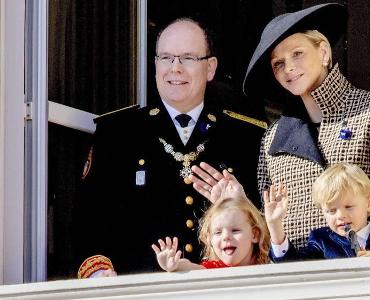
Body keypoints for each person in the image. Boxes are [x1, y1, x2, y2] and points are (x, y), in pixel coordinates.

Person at [73, 18, 267, 276]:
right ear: (155, 65)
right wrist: (100, 276)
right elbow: (87, 223)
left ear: (210, 68)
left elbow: (267, 232)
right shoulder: (118, 134)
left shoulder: (246, 137)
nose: (175, 68)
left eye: (188, 58)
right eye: (166, 58)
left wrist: (245, 208)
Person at [190, 3, 370, 251]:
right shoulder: (272, 139)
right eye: (278, 63)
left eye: (297, 53)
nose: (289, 68)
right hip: (297, 279)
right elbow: (266, 234)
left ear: (324, 52)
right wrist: (242, 205)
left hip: (367, 271)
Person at [264, 163, 370, 262]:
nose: (340, 215)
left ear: (369, 203)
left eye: (348, 206)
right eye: (332, 211)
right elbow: (292, 264)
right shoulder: (321, 241)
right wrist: (275, 225)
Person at [152, 193, 270, 271]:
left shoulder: (269, 264)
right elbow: (190, 267)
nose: (226, 237)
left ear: (255, 234)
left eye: (235, 230)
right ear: (210, 240)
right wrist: (175, 265)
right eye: (218, 233)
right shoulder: (214, 269)